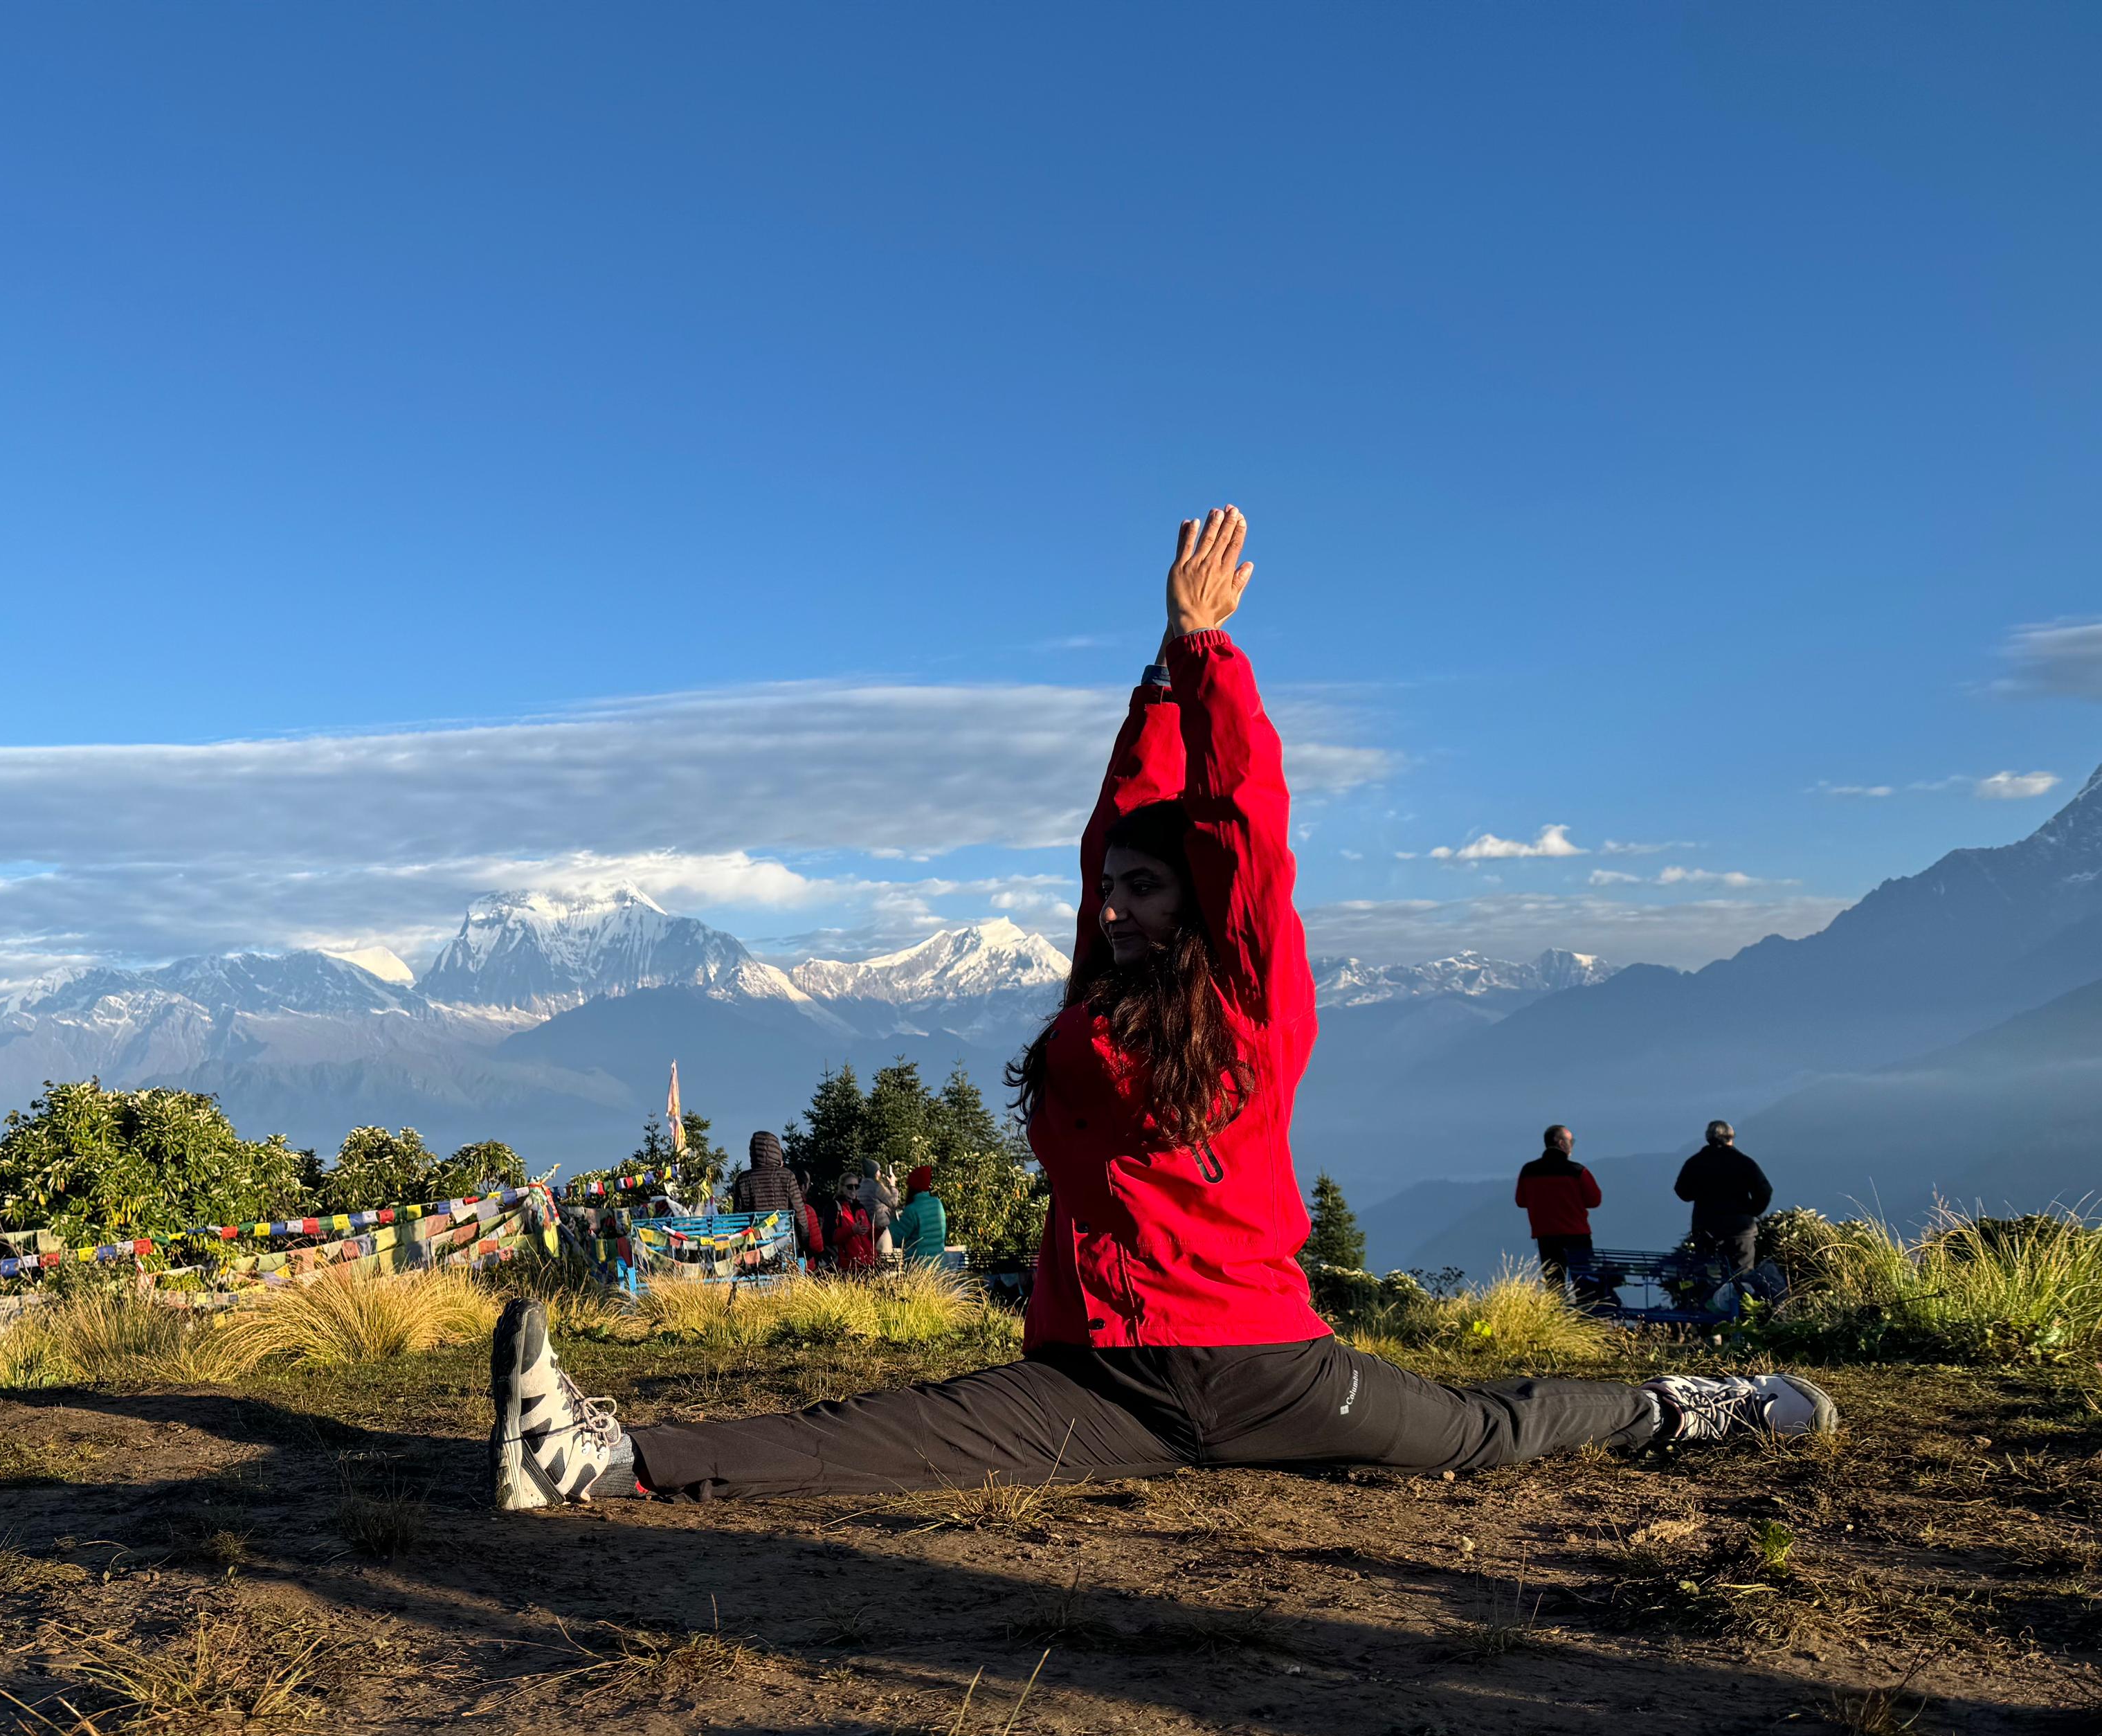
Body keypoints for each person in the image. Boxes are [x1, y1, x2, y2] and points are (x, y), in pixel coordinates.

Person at [488, 507, 1834, 1510]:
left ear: (1200, 906)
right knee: (884, 1431)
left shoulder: (1255, 1000)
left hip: (1264, 1363)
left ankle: (1692, 1404)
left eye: (1150, 890)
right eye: (1113, 891)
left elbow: (1247, 825)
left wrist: (1206, 658)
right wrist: (1148, 685)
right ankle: (594, 1462)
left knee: (1483, 1429)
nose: (1121, 906)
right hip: (1101, 1369)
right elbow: (1104, 846)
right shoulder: (1094, 1010)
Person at [1675, 1120, 1774, 1276]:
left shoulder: (1695, 1163)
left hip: (1706, 1228)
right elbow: (1765, 1190)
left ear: (1708, 1139)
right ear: (1730, 1137)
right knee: (1742, 1278)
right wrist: (1751, 1211)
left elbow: (1682, 1191)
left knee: (1707, 1277)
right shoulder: (1745, 1163)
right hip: (1740, 1231)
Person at [1514, 1125, 1602, 1292]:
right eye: (1571, 1141)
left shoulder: (1529, 1171)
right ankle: (1585, 1315)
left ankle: (1557, 1313)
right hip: (1577, 1235)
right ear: (1562, 1143)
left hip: (1546, 1236)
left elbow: (1521, 1200)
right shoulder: (1578, 1171)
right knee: (1584, 1283)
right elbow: (1595, 1200)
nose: (1572, 1145)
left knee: (1555, 1284)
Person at [727, 1130, 804, 1222]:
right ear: (776, 1151)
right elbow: (800, 1214)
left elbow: (737, 1218)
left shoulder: (743, 1179)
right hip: (784, 1234)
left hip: (754, 1235)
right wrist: (804, 1236)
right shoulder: (787, 1176)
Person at [895, 1166, 949, 1262]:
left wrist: (892, 1219)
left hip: (918, 1268)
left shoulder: (912, 1209)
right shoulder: (938, 1203)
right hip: (939, 1266)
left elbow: (897, 1239)